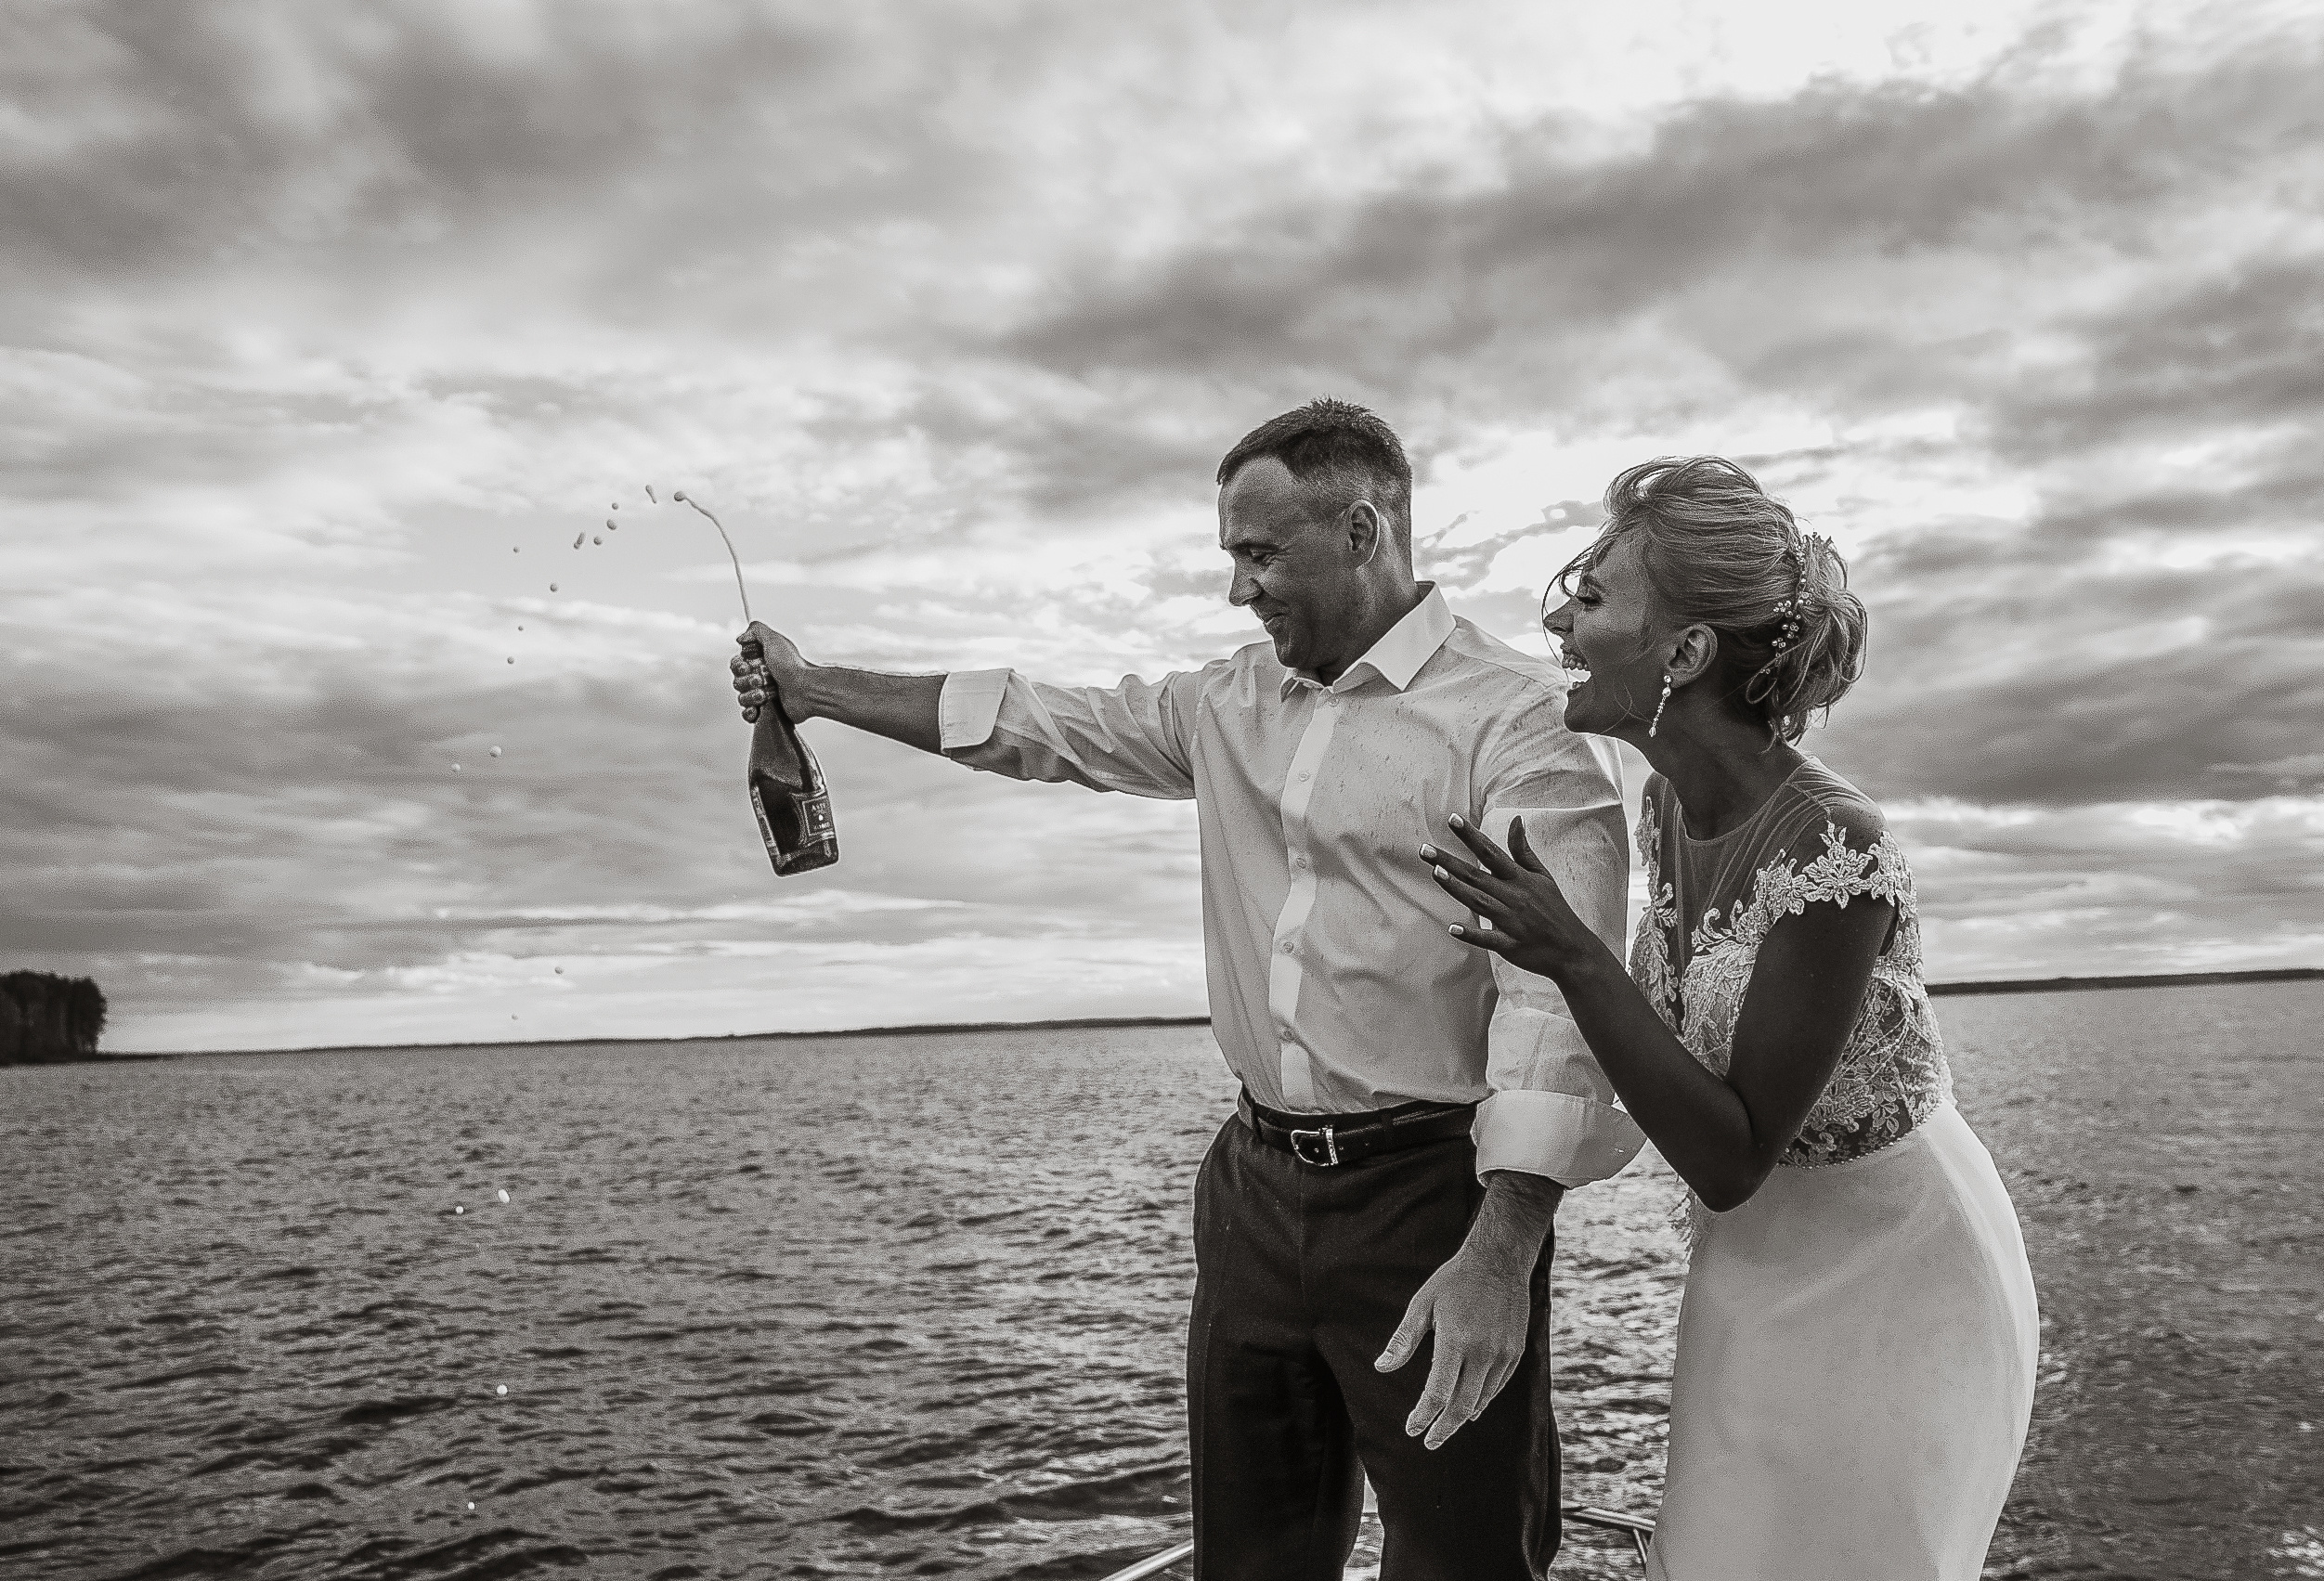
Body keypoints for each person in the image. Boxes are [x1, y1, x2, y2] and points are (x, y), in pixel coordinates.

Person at [732, 399, 1644, 1580]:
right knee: (1249, 1560)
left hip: (1434, 1201)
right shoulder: (1224, 705)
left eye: (1259, 555)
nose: (1237, 590)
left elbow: (1556, 992)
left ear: (1363, 530)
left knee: (1464, 1559)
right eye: (1231, 556)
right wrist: (814, 689)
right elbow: (1035, 721)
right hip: (1253, 1197)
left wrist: (1504, 1240)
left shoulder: (1512, 722)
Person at [1422, 457, 2038, 1581]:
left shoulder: (1832, 846)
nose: (1558, 620)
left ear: (1687, 652)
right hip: (1752, 1264)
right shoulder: (1664, 804)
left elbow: (1729, 1151)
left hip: (1892, 1269)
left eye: (1593, 596)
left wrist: (1566, 950)